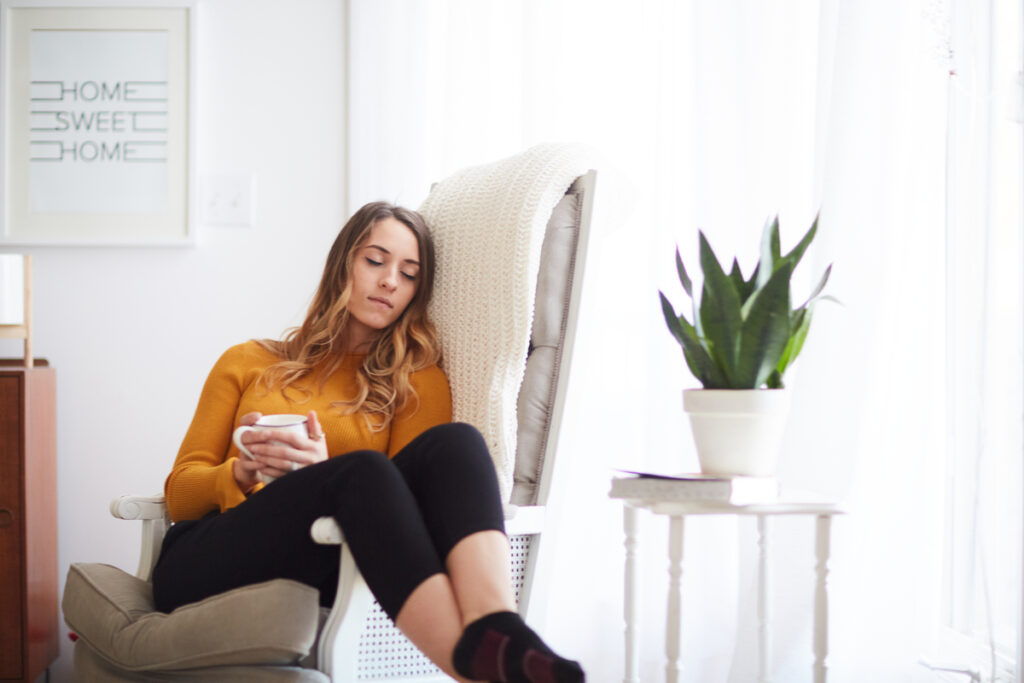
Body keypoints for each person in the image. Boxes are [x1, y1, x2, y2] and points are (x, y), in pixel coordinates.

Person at [150, 202, 584, 683]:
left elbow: (405, 519)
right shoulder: (246, 361)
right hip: (210, 555)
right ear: (344, 264)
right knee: (360, 468)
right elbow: (179, 495)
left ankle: (496, 629)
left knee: (455, 443)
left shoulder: (416, 380)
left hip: (324, 560)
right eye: (375, 261)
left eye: (409, 274)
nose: (390, 282)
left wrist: (320, 474)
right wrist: (241, 471)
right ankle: (470, 662)